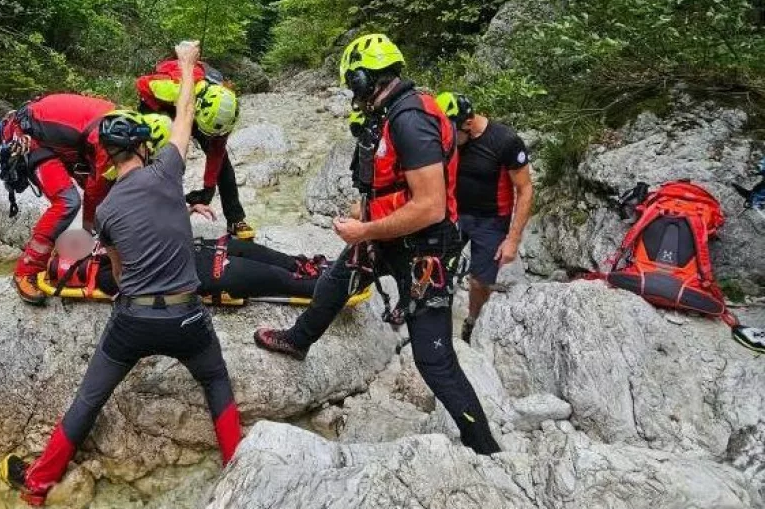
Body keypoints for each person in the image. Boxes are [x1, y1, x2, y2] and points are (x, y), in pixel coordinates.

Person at [0, 41, 242, 506]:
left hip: (131, 321)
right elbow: (187, 113)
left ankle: (36, 487)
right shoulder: (169, 171)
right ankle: (239, 466)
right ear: (143, 147)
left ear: (105, 156)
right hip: (187, 317)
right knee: (215, 383)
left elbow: (117, 267)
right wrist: (188, 65)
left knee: (88, 400)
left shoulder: (106, 209)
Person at [252, 34, 501, 456]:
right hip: (389, 235)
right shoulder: (387, 114)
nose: (353, 92)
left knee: (433, 360)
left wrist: (364, 232)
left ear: (367, 78)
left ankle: (485, 446)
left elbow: (431, 205)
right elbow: (385, 183)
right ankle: (298, 341)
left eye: (354, 83)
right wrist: (359, 216)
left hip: (424, 250)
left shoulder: (409, 120)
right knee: (335, 281)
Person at [0, 93, 118, 305]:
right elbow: (94, 191)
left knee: (109, 192)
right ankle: (26, 270)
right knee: (67, 202)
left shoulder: (121, 129)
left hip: (63, 138)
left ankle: (61, 244)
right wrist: (87, 231)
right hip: (31, 137)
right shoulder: (110, 138)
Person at [436, 92, 534, 343]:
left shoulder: (505, 142)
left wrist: (513, 239)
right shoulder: (451, 134)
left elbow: (525, 190)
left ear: (468, 124)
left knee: (480, 280)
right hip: (455, 213)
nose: (448, 139)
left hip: (491, 221)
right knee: (437, 263)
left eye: (453, 134)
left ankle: (472, 320)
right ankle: (433, 315)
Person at [136, 58, 254, 240]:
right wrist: (166, 124)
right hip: (163, 105)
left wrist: (208, 188)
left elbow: (217, 152)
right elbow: (142, 84)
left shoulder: (224, 111)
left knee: (223, 164)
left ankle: (235, 218)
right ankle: (146, 213)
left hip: (198, 110)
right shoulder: (172, 87)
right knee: (155, 157)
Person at [48, 226, 330, 301]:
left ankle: (308, 265)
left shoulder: (109, 242)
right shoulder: (108, 279)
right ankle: (332, 287)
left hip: (205, 252)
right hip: (210, 273)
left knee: (275, 258)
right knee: (280, 280)